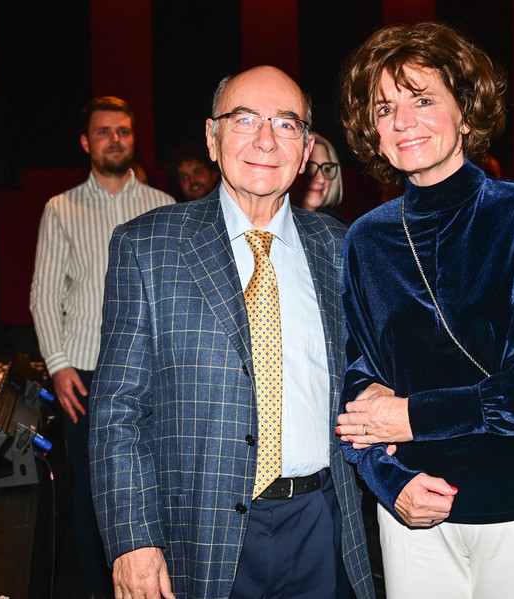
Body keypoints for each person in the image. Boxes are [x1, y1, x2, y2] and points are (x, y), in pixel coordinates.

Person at [89, 66, 375, 599]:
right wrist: (132, 539)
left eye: (286, 124)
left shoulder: (341, 249)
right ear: (212, 137)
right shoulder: (147, 246)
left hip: (322, 525)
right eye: (245, 120)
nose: (266, 140)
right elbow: (117, 412)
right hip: (196, 533)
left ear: (306, 149)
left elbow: (365, 383)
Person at [334, 23, 514, 599]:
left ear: (467, 113)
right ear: (372, 131)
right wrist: (387, 480)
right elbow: (357, 382)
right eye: (384, 108)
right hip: (413, 509)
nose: (403, 121)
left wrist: (413, 417)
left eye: (423, 100)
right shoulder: (366, 239)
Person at [29, 96, 175, 598]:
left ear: (134, 138)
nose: (115, 139)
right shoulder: (60, 208)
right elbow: (45, 294)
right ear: (85, 142)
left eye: (124, 131)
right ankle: (99, 588)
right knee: (93, 490)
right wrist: (58, 365)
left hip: (153, 372)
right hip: (85, 373)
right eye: (104, 131)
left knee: (157, 483)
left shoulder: (163, 205)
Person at [296, 131, 349, 225]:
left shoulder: (340, 228)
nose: (321, 180)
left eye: (326, 169)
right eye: (309, 168)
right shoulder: (271, 227)